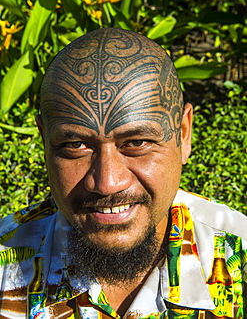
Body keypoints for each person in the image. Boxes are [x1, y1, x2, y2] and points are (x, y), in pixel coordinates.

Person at [0, 28, 246, 319]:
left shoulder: (237, 257)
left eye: (137, 143)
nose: (107, 183)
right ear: (45, 141)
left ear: (183, 134)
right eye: (75, 145)